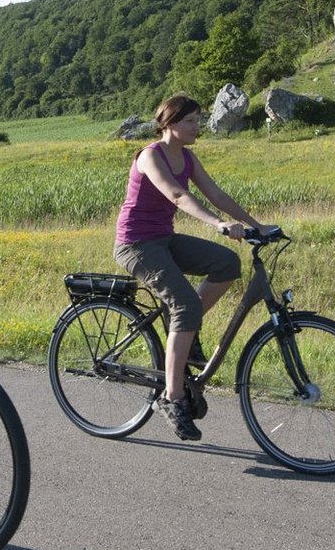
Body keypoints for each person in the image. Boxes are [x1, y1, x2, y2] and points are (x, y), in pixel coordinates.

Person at [113, 95, 272, 441]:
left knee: (226, 263)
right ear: (169, 123)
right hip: (136, 245)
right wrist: (218, 225)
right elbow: (177, 196)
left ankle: (185, 331)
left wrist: (255, 225)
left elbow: (216, 193)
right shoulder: (151, 156)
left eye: (198, 120)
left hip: (164, 240)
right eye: (190, 122)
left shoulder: (187, 157)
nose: (197, 127)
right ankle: (171, 397)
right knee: (184, 305)